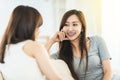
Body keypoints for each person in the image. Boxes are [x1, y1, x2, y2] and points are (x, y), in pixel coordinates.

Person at [0, 5, 74, 80]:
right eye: (38, 27)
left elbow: (37, 57)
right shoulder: (35, 47)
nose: (39, 31)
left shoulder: (5, 49)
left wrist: (52, 40)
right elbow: (55, 78)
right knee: (60, 64)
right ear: (30, 26)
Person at [45, 9, 112, 80]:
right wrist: (52, 40)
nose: (70, 29)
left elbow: (108, 71)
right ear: (62, 28)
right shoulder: (61, 54)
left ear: (82, 28)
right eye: (66, 25)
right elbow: (40, 60)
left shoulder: (97, 41)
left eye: (75, 24)